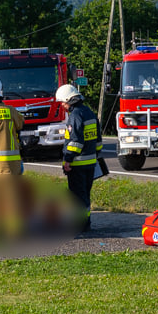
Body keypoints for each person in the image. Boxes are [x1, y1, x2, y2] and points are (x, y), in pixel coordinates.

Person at [56, 84, 103, 229]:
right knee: (85, 195)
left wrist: (68, 159)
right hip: (90, 163)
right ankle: (85, 222)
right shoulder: (89, 112)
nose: (62, 106)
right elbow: (98, 141)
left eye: (62, 102)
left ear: (69, 100)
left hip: (78, 164)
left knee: (77, 197)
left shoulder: (75, 115)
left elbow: (75, 141)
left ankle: (80, 224)